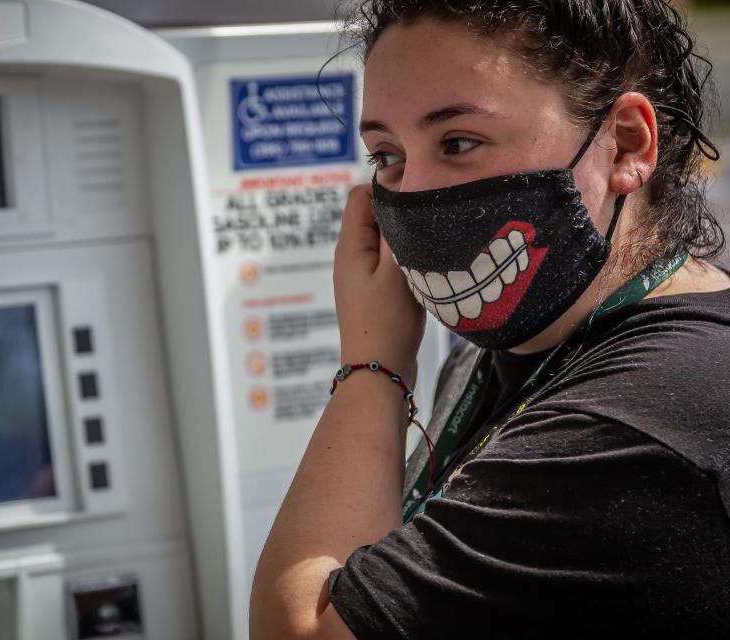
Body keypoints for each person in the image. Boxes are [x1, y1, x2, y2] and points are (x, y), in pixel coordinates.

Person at [249, 1, 730, 638]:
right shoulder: (514, 337)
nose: (413, 191)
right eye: (386, 154)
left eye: (459, 143)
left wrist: (373, 368)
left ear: (626, 144)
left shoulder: (640, 423)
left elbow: (302, 629)